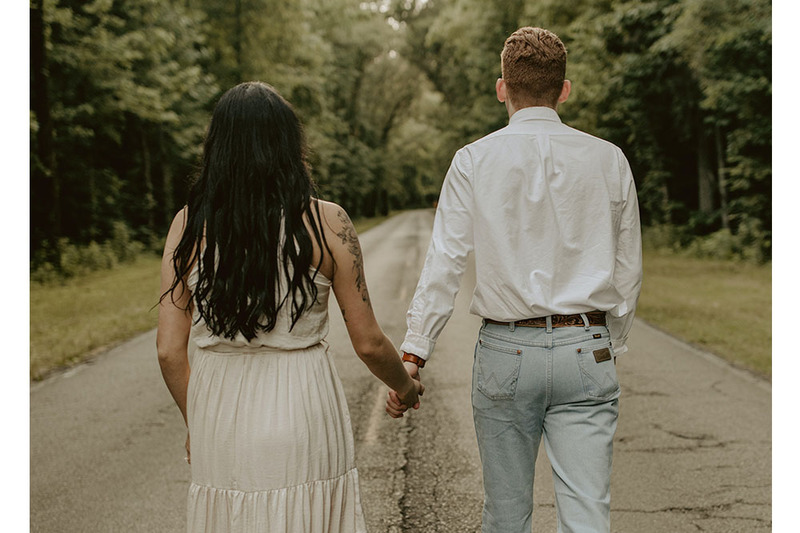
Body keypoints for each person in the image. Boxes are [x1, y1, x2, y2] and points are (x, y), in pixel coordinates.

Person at [386, 27, 642, 533]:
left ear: (502, 87)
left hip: (507, 353)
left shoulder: (473, 160)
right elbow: (627, 268)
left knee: (506, 516)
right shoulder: (608, 158)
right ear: (564, 89)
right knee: (588, 514)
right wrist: (606, 342)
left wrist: (415, 353)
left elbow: (444, 264)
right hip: (586, 349)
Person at [157, 81, 423, 533]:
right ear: (289, 145)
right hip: (302, 406)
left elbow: (168, 350)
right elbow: (369, 343)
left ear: (217, 148)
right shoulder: (327, 221)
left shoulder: (188, 224)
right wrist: (406, 386)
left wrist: (197, 420)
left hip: (219, 414)